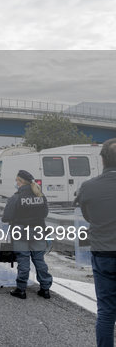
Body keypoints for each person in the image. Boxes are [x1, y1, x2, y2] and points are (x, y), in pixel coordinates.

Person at [77, 138, 116, 347]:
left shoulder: (88, 187)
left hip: (103, 254)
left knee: (107, 311)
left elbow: (88, 216)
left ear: (102, 160)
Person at [1, 169, 51, 300]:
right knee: (39, 259)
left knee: (23, 259)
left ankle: (21, 289)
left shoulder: (15, 197)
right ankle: (45, 289)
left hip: (21, 232)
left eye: (17, 180)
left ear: (21, 182)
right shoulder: (40, 195)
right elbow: (45, 214)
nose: (15, 182)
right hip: (38, 230)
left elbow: (6, 217)